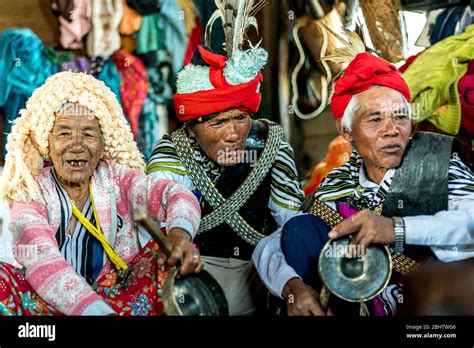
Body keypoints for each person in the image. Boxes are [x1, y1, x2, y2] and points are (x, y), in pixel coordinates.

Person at [254, 51, 474, 316]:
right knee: (301, 229)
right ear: (346, 131)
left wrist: (396, 229)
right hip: (356, 305)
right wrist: (292, 287)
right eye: (375, 119)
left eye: (400, 117)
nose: (391, 129)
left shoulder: (437, 164)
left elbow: (470, 223)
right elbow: (270, 244)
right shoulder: (340, 181)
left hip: (431, 310)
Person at [0, 71, 203, 316]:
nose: (76, 145)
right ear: (47, 142)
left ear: (103, 142)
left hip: (118, 299)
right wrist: (95, 312)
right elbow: (40, 258)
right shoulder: (31, 191)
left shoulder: (116, 178)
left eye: (88, 133)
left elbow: (173, 195)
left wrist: (180, 235)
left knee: (168, 254)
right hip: (48, 305)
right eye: (63, 133)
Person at [147, 3, 304, 315]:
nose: (234, 133)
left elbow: (290, 225)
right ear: (191, 128)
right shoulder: (172, 153)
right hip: (193, 272)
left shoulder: (272, 147)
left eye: (241, 118)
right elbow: (163, 215)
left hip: (265, 268)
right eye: (218, 123)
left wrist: (290, 281)